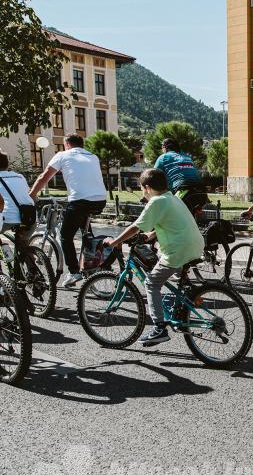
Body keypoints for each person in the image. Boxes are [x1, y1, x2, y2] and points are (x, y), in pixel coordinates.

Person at [103, 168, 205, 346]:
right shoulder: (173, 197)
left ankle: (159, 328)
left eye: (142, 189)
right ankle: (184, 306)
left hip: (177, 250)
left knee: (151, 283)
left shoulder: (156, 201)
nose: (143, 193)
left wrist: (115, 241)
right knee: (172, 277)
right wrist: (149, 236)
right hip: (194, 245)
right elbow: (166, 225)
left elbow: (136, 226)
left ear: (147, 187)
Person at [29, 133, 107, 288]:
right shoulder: (93, 156)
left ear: (67, 144)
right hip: (99, 200)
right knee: (86, 231)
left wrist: (31, 195)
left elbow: (44, 177)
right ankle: (91, 264)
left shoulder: (62, 155)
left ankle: (73, 272)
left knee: (65, 236)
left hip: (79, 202)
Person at [153, 138, 208, 213]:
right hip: (202, 192)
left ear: (165, 148)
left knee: (170, 215)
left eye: (162, 148)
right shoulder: (186, 156)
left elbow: (153, 175)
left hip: (184, 192)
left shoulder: (163, 157)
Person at [0, 150, 37, 253]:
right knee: (23, 245)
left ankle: (6, 254)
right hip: (30, 218)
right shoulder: (19, 176)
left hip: (7, 219)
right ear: (7, 164)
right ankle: (32, 268)